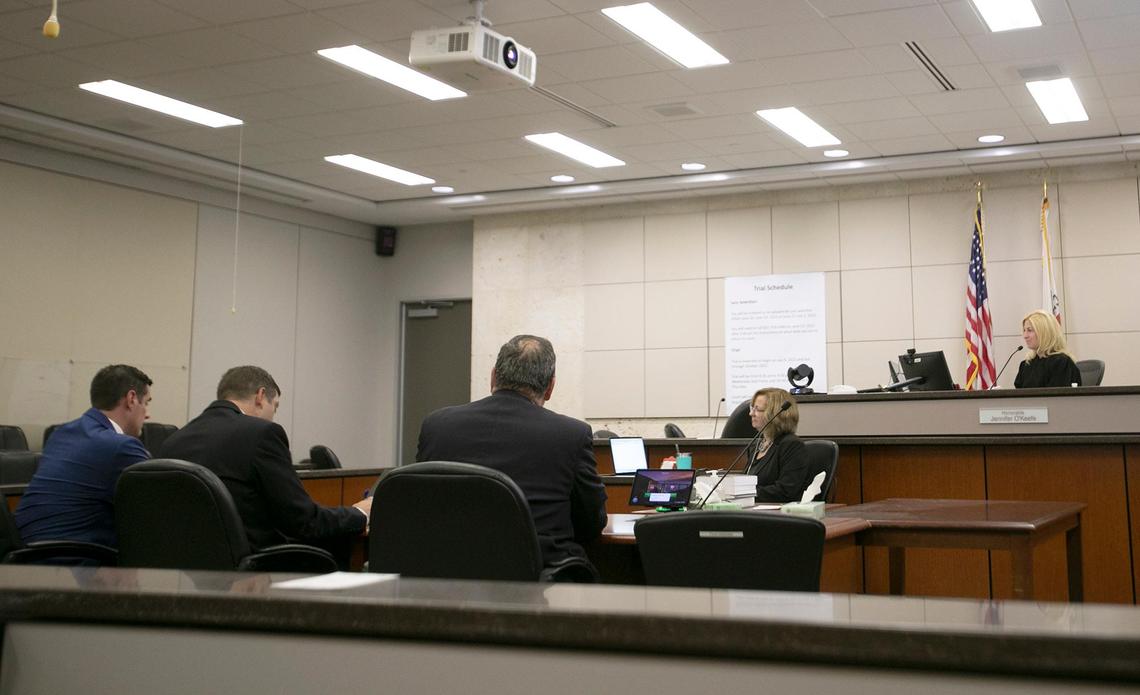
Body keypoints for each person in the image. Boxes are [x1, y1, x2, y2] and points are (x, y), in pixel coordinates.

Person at [416, 334, 607, 571]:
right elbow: (591, 523)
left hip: (443, 572)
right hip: (535, 579)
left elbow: (421, 506)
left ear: (493, 376)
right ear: (550, 387)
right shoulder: (571, 434)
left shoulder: (436, 425)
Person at [158, 366, 369, 565]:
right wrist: (359, 513)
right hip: (254, 573)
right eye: (275, 406)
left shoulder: (172, 441)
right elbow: (304, 522)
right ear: (260, 396)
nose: (273, 415)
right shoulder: (262, 434)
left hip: (189, 574)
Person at [15, 365, 153, 547]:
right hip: (74, 562)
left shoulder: (61, 434)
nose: (148, 414)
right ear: (131, 399)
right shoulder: (121, 447)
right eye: (147, 403)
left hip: (22, 559)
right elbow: (157, 511)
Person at [744, 387, 810, 503]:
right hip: (754, 511)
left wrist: (744, 495)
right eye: (752, 408)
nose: (751, 413)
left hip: (780, 515)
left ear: (775, 414)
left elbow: (786, 491)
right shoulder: (756, 446)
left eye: (757, 409)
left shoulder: (792, 446)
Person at [1014, 309, 1081, 388]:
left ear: (1045, 332)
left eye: (1030, 330)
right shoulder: (1026, 365)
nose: (1025, 336)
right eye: (1024, 330)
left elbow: (1058, 397)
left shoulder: (1061, 363)